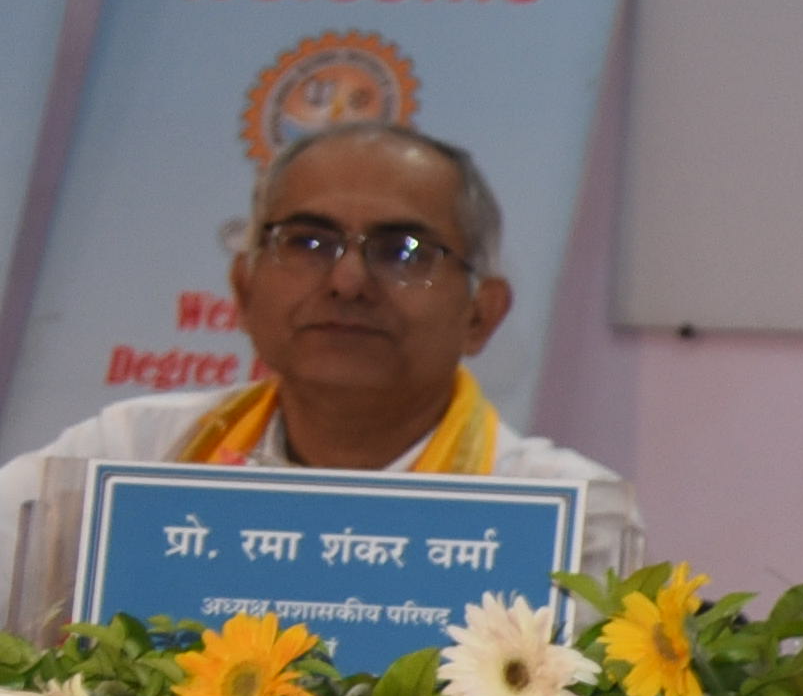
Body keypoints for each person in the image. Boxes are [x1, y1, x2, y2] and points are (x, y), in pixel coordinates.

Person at [5, 124, 643, 633]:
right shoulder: (125, 458)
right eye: (308, 243)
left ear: (482, 314)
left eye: (403, 252)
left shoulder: (565, 515)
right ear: (243, 289)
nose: (347, 281)